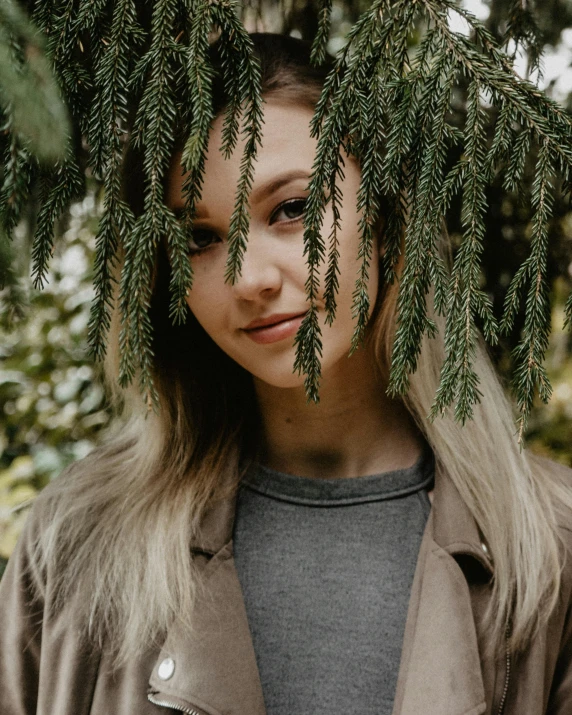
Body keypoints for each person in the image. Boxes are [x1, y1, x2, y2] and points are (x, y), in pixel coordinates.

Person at [1, 32, 572, 715]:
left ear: (388, 217)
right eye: (200, 238)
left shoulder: (547, 543)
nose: (247, 277)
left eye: (293, 209)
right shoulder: (77, 543)